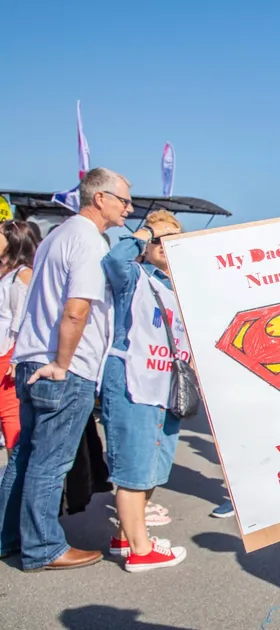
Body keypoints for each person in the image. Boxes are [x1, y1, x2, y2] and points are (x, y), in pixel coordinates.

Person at [0, 167, 131, 571]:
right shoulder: (88, 242)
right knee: (49, 461)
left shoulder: (57, 235)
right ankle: (44, 548)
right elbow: (77, 309)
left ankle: (9, 537)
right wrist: (62, 362)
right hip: (62, 368)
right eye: (124, 200)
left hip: (31, 360)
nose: (129, 207)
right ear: (100, 199)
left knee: (25, 456)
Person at [100, 210, 189, 571]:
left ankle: (125, 534)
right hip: (134, 380)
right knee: (135, 465)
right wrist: (147, 230)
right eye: (158, 240)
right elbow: (114, 259)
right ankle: (140, 549)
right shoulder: (134, 276)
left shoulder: (179, 286)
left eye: (173, 240)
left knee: (154, 464)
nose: (165, 245)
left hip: (167, 386)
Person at [0, 221, 40, 452]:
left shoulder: (22, 275)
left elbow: (23, 319)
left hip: (8, 353)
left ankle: (15, 478)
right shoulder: (8, 273)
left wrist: (16, 358)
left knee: (10, 414)